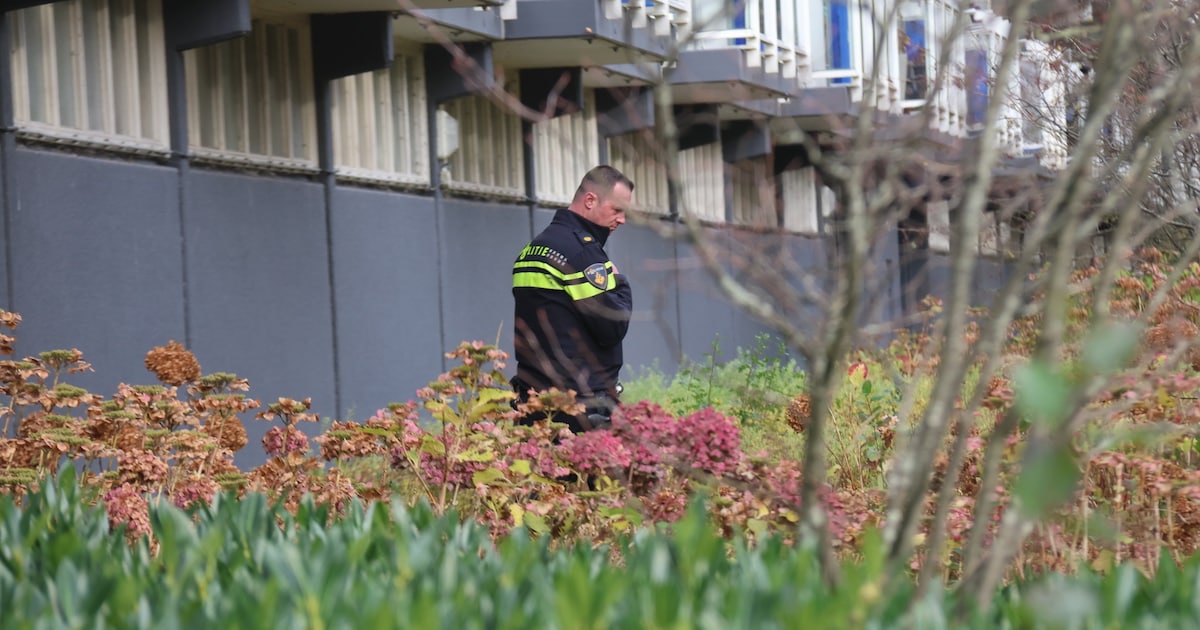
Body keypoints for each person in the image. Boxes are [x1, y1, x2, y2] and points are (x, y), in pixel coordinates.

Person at [511, 165, 634, 433]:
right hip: (578, 407)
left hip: (533, 400)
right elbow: (612, 326)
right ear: (590, 200)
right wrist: (621, 283)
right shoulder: (582, 253)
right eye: (617, 209)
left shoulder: (532, 249)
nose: (623, 219)